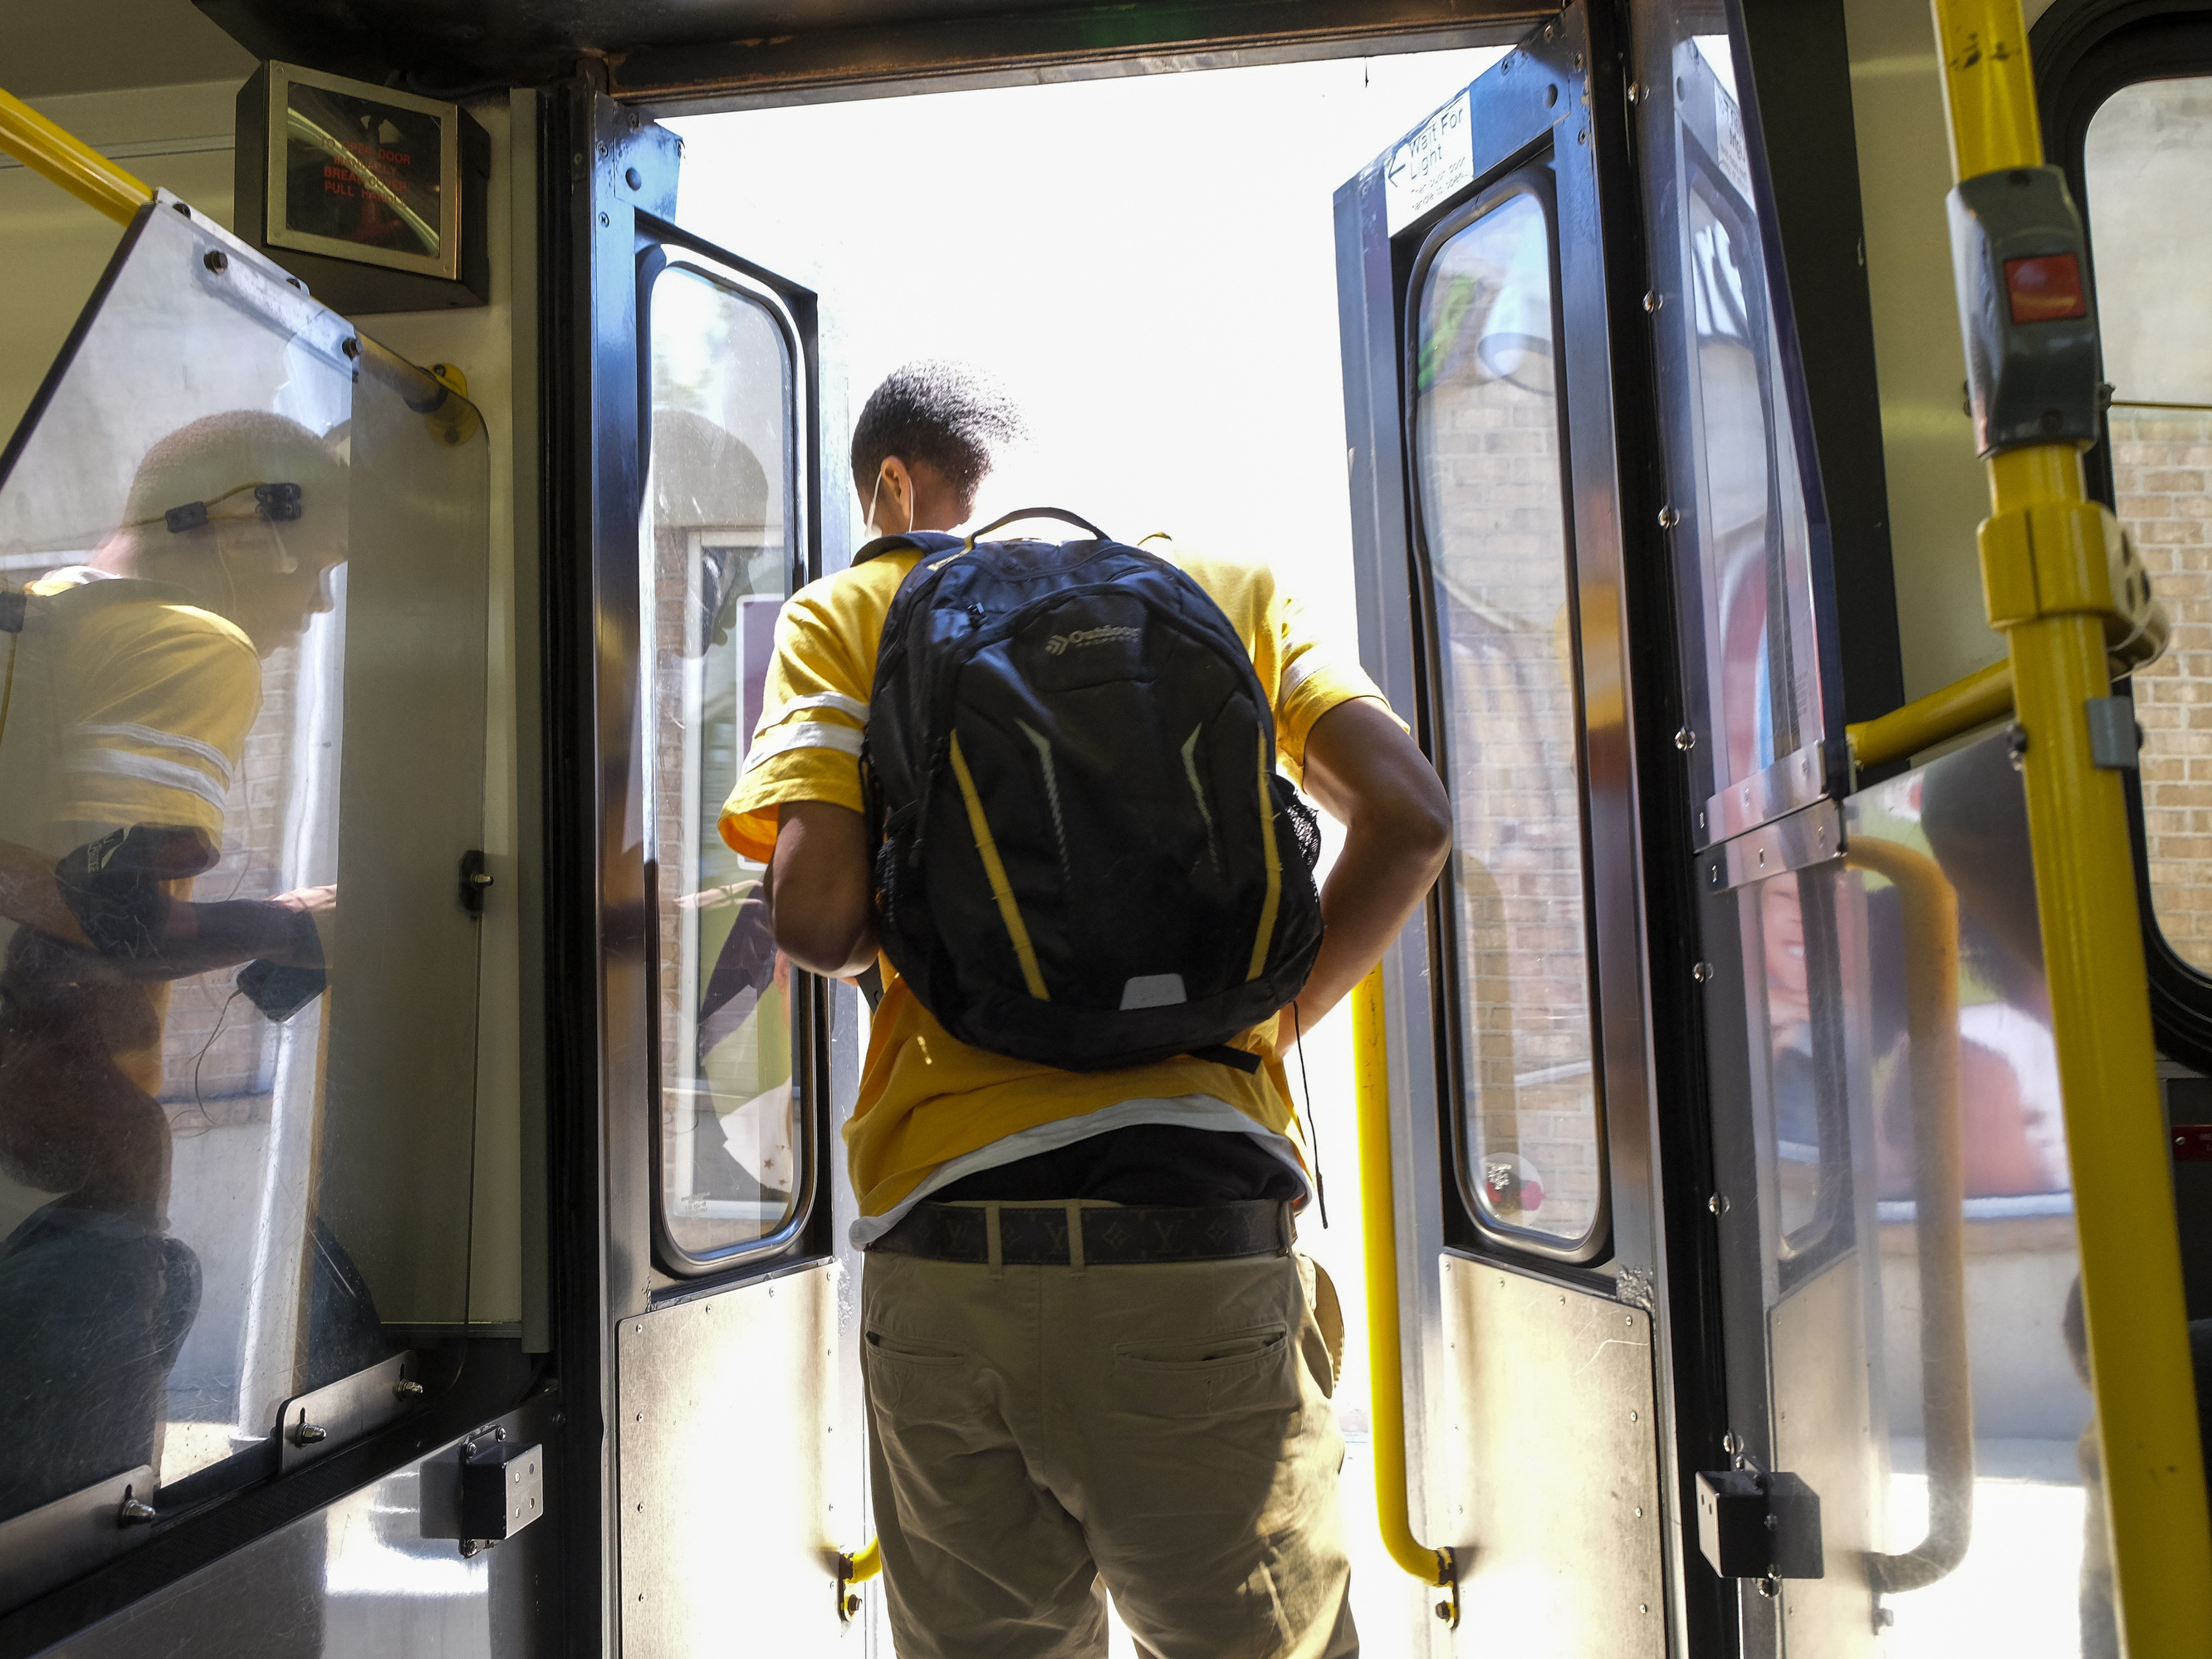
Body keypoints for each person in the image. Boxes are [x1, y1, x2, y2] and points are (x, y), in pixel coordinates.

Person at [718, 362, 1452, 1657]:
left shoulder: (850, 611)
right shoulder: (1225, 590)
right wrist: (1264, 1025)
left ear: (891, 486)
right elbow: (1411, 819)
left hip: (950, 1259)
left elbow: (818, 920)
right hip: (1197, 1241)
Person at [0, 409, 350, 1518]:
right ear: (247, 521)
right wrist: (300, 925)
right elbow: (119, 916)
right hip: (60, 1123)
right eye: (318, 568)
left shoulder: (41, 611)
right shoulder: (190, 641)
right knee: (76, 1524)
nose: (318, 605)